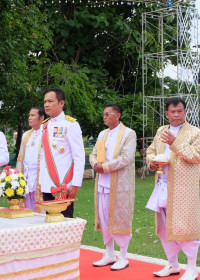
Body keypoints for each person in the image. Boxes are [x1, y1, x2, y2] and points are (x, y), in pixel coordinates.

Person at [146, 97, 200, 280]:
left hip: (183, 189)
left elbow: (198, 156)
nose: (176, 114)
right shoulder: (161, 131)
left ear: (185, 112)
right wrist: (151, 163)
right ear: (167, 114)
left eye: (180, 111)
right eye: (172, 111)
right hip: (162, 185)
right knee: (164, 228)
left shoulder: (195, 133)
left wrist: (175, 142)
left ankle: (192, 268)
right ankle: (172, 264)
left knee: (186, 226)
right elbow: (151, 150)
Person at [89, 103, 136, 271]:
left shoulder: (129, 134)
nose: (104, 117)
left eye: (108, 114)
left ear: (118, 115)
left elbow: (126, 158)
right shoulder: (103, 133)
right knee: (103, 217)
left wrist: (106, 167)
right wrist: (95, 163)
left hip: (119, 185)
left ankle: (123, 256)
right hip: (102, 183)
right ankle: (109, 253)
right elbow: (94, 153)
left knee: (119, 218)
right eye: (103, 114)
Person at [39, 88, 85, 218]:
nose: (46, 105)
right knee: (49, 224)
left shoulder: (71, 125)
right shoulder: (45, 125)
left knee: (65, 224)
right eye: (45, 101)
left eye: (50, 101)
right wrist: (42, 182)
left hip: (63, 185)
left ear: (61, 103)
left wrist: (75, 184)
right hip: (48, 184)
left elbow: (79, 157)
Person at [16, 107, 46, 212]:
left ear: (41, 117)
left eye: (33, 115)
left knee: (40, 208)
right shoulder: (26, 135)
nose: (29, 118)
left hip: (40, 177)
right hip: (26, 176)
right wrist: (18, 177)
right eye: (29, 115)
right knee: (26, 206)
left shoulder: (47, 134)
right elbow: (20, 158)